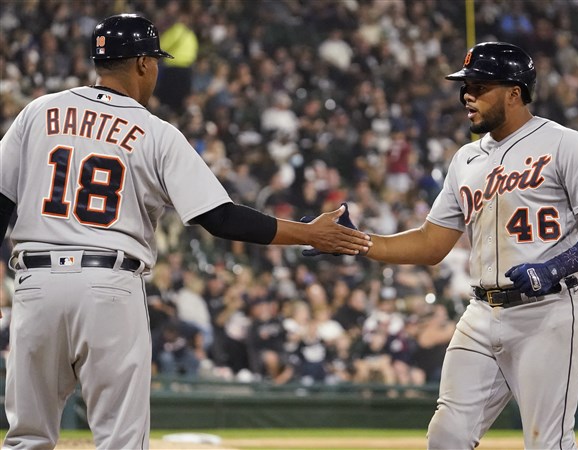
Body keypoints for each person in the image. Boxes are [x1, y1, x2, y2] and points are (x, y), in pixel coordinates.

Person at [0, 14, 371, 450]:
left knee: (27, 439)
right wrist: (309, 232)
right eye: (155, 61)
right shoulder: (155, 132)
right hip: (108, 285)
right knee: (119, 441)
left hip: (35, 284)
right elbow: (220, 217)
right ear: (142, 63)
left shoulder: (39, 111)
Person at [307, 42, 578, 448]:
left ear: (515, 92)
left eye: (480, 86)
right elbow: (431, 243)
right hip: (481, 312)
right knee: (447, 436)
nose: (467, 95)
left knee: (547, 443)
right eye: (466, 86)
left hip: (547, 314)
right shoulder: (465, 159)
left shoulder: (564, 144)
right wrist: (360, 242)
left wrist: (554, 268)